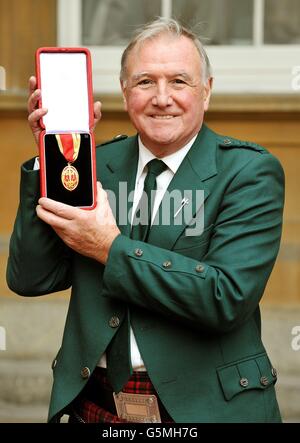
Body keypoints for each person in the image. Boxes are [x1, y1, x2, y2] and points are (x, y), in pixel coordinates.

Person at [7, 17, 284, 423]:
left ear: (205, 92)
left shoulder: (248, 173)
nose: (161, 98)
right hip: (96, 403)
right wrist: (49, 156)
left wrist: (107, 248)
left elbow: (225, 297)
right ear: (123, 92)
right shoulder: (94, 164)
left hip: (205, 407)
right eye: (144, 82)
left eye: (179, 82)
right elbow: (31, 278)